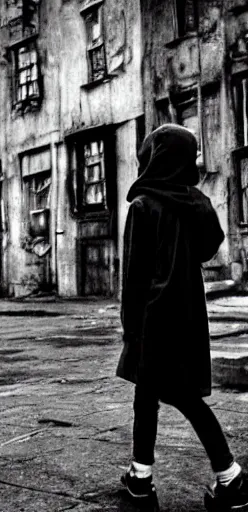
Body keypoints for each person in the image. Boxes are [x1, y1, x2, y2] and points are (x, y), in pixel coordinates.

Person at [118, 124, 246, 510]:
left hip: (153, 318)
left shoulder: (143, 206)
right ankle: (146, 476)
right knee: (168, 395)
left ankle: (223, 475)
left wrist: (131, 329)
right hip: (188, 315)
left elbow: (134, 277)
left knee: (160, 396)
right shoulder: (197, 203)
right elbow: (210, 248)